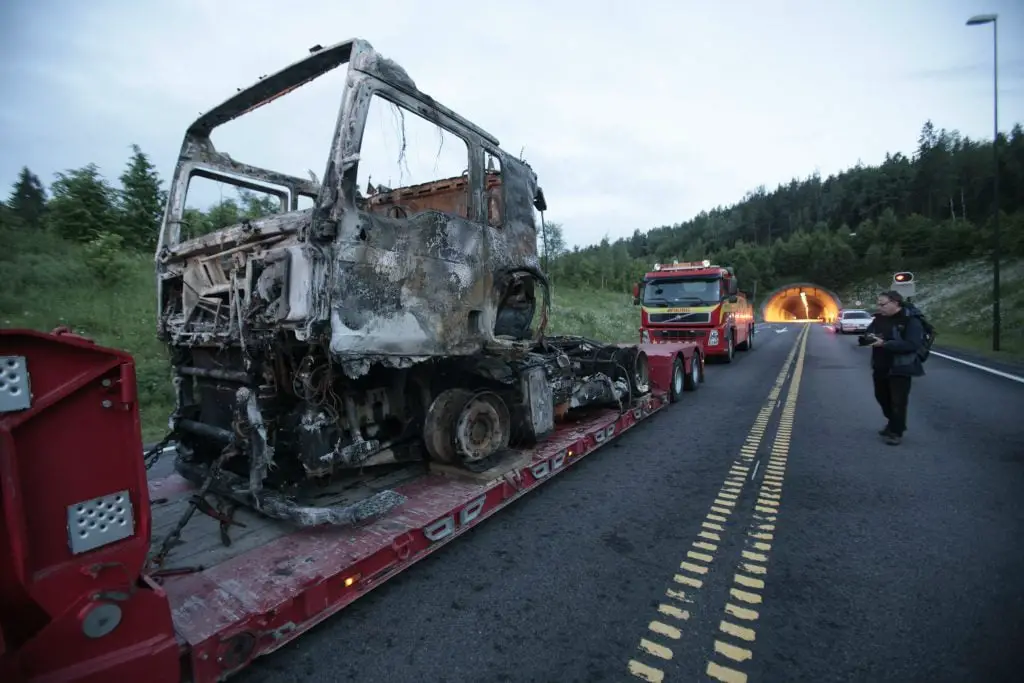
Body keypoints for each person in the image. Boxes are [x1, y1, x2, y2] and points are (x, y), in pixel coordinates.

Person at [863, 290, 926, 445]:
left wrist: (885, 344)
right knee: (881, 397)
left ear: (895, 303)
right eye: (878, 304)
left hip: (900, 367)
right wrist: (868, 338)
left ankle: (896, 432)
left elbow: (913, 344)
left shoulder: (910, 321)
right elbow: (869, 332)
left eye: (882, 304)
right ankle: (893, 422)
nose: (879, 307)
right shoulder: (878, 319)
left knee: (898, 401)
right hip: (880, 366)